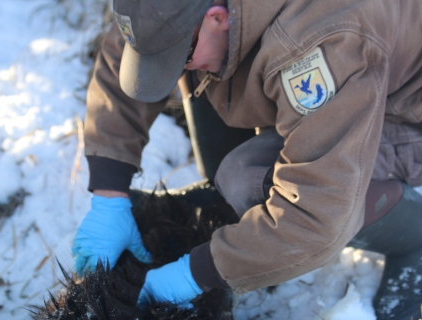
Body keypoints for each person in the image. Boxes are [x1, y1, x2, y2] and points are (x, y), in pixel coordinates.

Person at [71, 0, 422, 318]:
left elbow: (318, 211)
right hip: (341, 75)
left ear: (218, 17)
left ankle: (412, 235)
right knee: (200, 64)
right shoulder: (185, 14)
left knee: (247, 179)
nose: (179, 65)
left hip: (402, 115)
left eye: (182, 54)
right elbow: (139, 41)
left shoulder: (323, 43)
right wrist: (109, 193)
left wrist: (197, 274)